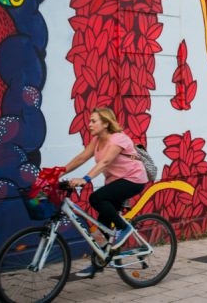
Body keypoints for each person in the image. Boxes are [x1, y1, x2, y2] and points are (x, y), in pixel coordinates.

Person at [61, 107, 149, 278]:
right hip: (116, 182)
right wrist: (59, 172)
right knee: (102, 225)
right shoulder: (97, 140)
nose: (90, 124)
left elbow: (105, 161)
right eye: (90, 120)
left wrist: (85, 179)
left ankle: (125, 228)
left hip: (133, 179)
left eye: (94, 121)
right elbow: (82, 157)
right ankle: (98, 263)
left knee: (96, 198)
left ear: (106, 123)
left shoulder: (118, 139)